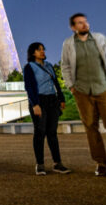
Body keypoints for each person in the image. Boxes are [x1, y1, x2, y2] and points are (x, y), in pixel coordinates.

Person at [61, 14, 106, 178]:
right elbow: (65, 65)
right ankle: (101, 164)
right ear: (73, 27)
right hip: (82, 91)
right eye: (80, 23)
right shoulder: (68, 44)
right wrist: (71, 86)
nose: (85, 25)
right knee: (91, 128)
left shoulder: (99, 38)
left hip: (104, 89)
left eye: (85, 22)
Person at [23, 42, 71, 175]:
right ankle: (40, 164)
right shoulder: (29, 67)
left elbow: (55, 83)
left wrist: (61, 98)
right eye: (39, 50)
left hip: (52, 100)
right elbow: (29, 87)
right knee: (40, 133)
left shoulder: (49, 66)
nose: (42, 52)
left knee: (52, 133)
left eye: (43, 49)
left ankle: (57, 163)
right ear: (33, 53)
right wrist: (35, 104)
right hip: (39, 100)